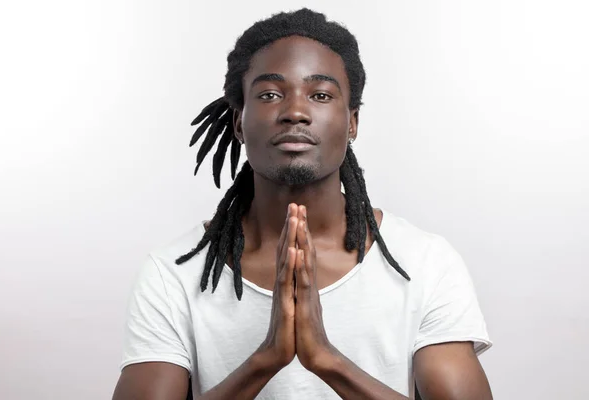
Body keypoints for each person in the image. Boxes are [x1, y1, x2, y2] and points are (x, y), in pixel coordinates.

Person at [112, 8, 492, 400]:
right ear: (239, 122)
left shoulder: (425, 263)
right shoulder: (172, 274)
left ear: (352, 122)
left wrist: (328, 361)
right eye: (270, 94)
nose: (295, 111)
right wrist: (265, 360)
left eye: (321, 95)